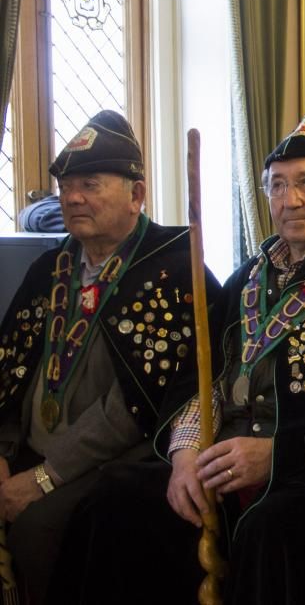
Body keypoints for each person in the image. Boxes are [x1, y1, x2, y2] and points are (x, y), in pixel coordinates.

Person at [50, 106, 305, 604]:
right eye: (278, 186)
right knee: (116, 498)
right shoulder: (249, 277)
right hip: (223, 457)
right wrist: (186, 456)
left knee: (271, 526)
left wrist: (278, 455)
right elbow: (205, 381)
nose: (291, 200)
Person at [0, 110, 219, 603]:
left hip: (112, 461)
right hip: (29, 453)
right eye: (67, 185)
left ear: (137, 194)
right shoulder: (50, 267)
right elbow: (9, 370)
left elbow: (135, 405)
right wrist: (3, 451)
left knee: (38, 531)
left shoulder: (172, 269)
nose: (73, 197)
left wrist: (41, 478)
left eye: (91, 184)